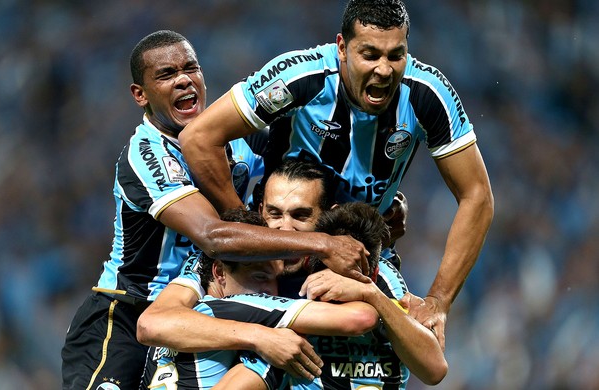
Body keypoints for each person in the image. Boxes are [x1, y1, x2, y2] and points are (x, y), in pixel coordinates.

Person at [61, 30, 371, 390]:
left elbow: (308, 173)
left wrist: (378, 205)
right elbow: (214, 237)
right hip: (130, 311)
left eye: (190, 68)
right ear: (140, 94)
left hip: (207, 305)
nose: (183, 80)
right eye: (166, 74)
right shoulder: (147, 155)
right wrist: (322, 243)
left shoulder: (234, 137)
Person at [179, 0, 494, 348]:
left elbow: (477, 195)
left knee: (394, 356)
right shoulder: (301, 77)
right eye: (370, 54)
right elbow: (198, 138)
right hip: (283, 257)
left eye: (396, 55)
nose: (385, 70)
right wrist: (249, 236)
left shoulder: (427, 94)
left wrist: (439, 301)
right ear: (342, 48)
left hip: (358, 262)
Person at [137, 159, 412, 388]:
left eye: (301, 216)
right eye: (275, 214)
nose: (285, 230)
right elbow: (152, 324)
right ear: (260, 212)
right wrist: (260, 336)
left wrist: (411, 306)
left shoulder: (354, 265)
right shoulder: (224, 259)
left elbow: (428, 361)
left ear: (327, 216)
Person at [140, 207, 381, 390]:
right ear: (219, 272)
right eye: (259, 276)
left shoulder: (189, 309)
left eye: (274, 278)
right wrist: (363, 289)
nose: (269, 290)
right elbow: (361, 317)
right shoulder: (243, 305)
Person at [214, 202, 447, 389]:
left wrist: (372, 295)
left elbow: (434, 370)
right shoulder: (294, 294)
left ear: (373, 272)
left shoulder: (383, 281)